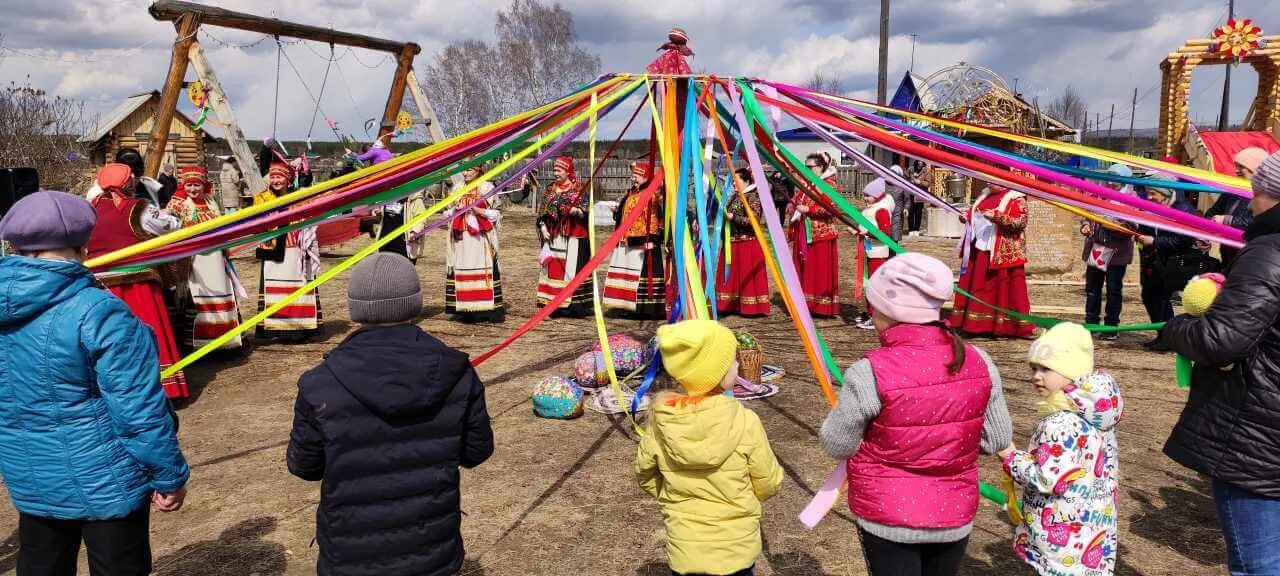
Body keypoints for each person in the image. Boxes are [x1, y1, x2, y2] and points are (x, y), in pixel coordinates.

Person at [0, 191, 189, 576]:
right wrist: (168, 474)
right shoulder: (101, 312)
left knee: (40, 563)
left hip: (31, 478)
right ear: (84, 244)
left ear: (14, 245)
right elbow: (138, 408)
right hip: (107, 480)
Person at [288, 252, 493, 576]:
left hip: (350, 556)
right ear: (415, 303)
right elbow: (476, 451)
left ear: (355, 308)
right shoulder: (458, 373)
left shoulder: (319, 383)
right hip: (432, 553)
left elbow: (305, 465)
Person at [820, 253, 1012, 576]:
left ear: (887, 310)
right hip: (954, 512)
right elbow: (997, 438)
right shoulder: (979, 361)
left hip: (886, 516)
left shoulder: (869, 372)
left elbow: (837, 444)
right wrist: (950, 446)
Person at [1162, 151, 1280, 576]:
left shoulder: (1271, 252)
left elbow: (1221, 340)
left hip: (1259, 434)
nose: (1250, 204)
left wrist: (1177, 326)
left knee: (1257, 565)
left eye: (1257, 192)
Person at [636, 319, 783, 576]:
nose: (737, 364)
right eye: (733, 361)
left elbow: (646, 474)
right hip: (736, 549)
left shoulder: (660, 422)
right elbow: (768, 481)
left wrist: (673, 498)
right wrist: (743, 498)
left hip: (685, 550)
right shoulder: (745, 421)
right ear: (719, 373)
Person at [998, 322, 1123, 576]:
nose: (1036, 376)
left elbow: (1047, 478)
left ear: (1072, 371)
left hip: (1062, 534)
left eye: (1046, 368)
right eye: (1033, 368)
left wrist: (1011, 457)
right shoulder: (1097, 412)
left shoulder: (1060, 422)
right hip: (1092, 529)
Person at [86, 163, 189, 398]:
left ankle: (118, 386)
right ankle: (162, 385)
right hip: (137, 284)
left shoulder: (86, 211)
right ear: (128, 183)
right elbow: (168, 226)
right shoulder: (137, 209)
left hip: (99, 287)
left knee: (110, 335)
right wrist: (177, 222)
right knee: (145, 330)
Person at [166, 166, 244, 350]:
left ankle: (225, 341)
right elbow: (168, 229)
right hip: (194, 260)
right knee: (198, 297)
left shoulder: (211, 201)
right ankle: (199, 343)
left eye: (197, 185)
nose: (193, 189)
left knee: (219, 293)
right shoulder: (177, 204)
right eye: (189, 185)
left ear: (204, 186)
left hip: (215, 258)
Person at [950, 183, 1035, 338]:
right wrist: (966, 216)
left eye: (993, 180)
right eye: (987, 180)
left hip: (1002, 252)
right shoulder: (985, 195)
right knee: (978, 287)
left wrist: (997, 217)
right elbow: (973, 214)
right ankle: (974, 324)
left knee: (1003, 288)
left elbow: (1021, 222)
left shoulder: (1016, 198)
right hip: (979, 250)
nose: (989, 183)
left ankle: (1006, 326)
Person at [253, 161, 323, 342]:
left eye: (280, 177)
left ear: (288, 180)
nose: (276, 180)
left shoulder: (300, 199)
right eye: (273, 177)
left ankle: (299, 328)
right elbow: (256, 222)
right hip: (273, 250)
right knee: (273, 288)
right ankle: (273, 329)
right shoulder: (262, 198)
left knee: (297, 287)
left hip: (295, 251)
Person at [1135, 179, 1199, 352]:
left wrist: (1154, 241)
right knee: (1149, 297)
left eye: (1153, 193)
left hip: (1173, 263)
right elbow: (1145, 228)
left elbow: (1183, 241)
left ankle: (1169, 338)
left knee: (1161, 299)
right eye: (1148, 193)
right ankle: (1162, 335)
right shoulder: (1151, 208)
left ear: (1166, 194)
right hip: (1154, 261)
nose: (1149, 197)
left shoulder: (1183, 210)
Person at [1080, 164, 1137, 340]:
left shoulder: (1131, 200)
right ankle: (1091, 323)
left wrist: (1112, 226)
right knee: (1093, 289)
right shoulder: (1100, 195)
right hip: (1098, 249)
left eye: (1116, 179)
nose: (1111, 182)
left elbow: (1132, 227)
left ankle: (1111, 327)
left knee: (1113, 290)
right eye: (1109, 178)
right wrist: (1086, 224)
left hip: (1117, 252)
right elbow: (1087, 213)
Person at [604, 161, 667, 319]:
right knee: (629, 272)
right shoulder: (631, 193)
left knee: (644, 273)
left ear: (646, 176)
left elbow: (659, 215)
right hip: (629, 240)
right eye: (633, 175)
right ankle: (629, 305)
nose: (633, 178)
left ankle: (647, 309)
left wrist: (654, 238)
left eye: (637, 175)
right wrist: (617, 213)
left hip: (645, 241)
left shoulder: (653, 193)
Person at [446, 165, 504, 322]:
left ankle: (484, 309)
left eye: (469, 170)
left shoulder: (487, 189)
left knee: (482, 270)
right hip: (461, 240)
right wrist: (455, 210)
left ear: (478, 171)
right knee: (463, 270)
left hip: (480, 240)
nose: (465, 173)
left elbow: (497, 214)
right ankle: (466, 309)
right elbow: (447, 213)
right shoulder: (457, 190)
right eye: (464, 170)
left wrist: (479, 211)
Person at [536, 156, 593, 316]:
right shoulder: (550, 189)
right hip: (553, 235)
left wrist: (577, 211)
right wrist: (542, 227)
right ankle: (552, 302)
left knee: (570, 270)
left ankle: (571, 305)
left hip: (573, 236)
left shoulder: (578, 188)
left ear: (568, 171)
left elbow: (586, 210)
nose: (555, 173)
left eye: (559, 170)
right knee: (554, 268)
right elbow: (542, 212)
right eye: (554, 170)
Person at [789, 152, 841, 317]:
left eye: (810, 166)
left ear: (820, 167)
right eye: (806, 166)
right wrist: (792, 206)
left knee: (818, 270)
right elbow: (798, 201)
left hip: (821, 234)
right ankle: (804, 304)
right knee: (804, 267)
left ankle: (820, 306)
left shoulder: (829, 185)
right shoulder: (807, 185)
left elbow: (833, 208)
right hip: (804, 231)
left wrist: (809, 210)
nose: (807, 169)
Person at [715, 168, 771, 318]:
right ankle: (730, 304)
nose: (733, 183)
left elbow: (754, 220)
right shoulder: (735, 196)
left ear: (747, 181)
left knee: (746, 274)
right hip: (732, 242)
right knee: (733, 274)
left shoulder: (753, 197)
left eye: (736, 180)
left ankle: (751, 306)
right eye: (732, 180)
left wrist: (734, 218)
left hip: (747, 243)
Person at [1207, 147, 1267, 269]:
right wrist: (1205, 234)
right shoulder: (1232, 191)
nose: (1236, 170)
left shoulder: (1265, 195)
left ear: (1254, 168)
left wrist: (1228, 220)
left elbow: (1260, 223)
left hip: (1250, 256)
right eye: (1236, 166)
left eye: (1241, 166)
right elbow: (1212, 212)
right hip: (1227, 251)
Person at [852, 177, 895, 330]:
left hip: (877, 253)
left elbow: (883, 233)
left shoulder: (881, 210)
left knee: (875, 285)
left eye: (867, 195)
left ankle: (876, 316)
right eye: (864, 195)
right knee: (868, 283)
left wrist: (866, 234)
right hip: (870, 250)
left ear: (877, 195)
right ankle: (870, 312)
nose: (864, 198)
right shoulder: (873, 207)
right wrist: (859, 231)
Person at [887, 164, 910, 243]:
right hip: (885, 211)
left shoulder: (902, 185)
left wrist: (906, 208)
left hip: (897, 212)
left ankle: (893, 254)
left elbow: (907, 198)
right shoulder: (884, 183)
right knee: (885, 234)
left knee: (894, 235)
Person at [907, 161, 929, 234]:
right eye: (918, 161)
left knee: (918, 212)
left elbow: (928, 183)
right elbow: (906, 178)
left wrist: (920, 182)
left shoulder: (926, 171)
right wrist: (911, 180)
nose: (920, 163)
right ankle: (911, 229)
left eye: (921, 162)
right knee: (910, 211)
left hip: (920, 193)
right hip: (911, 193)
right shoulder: (910, 169)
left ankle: (916, 229)